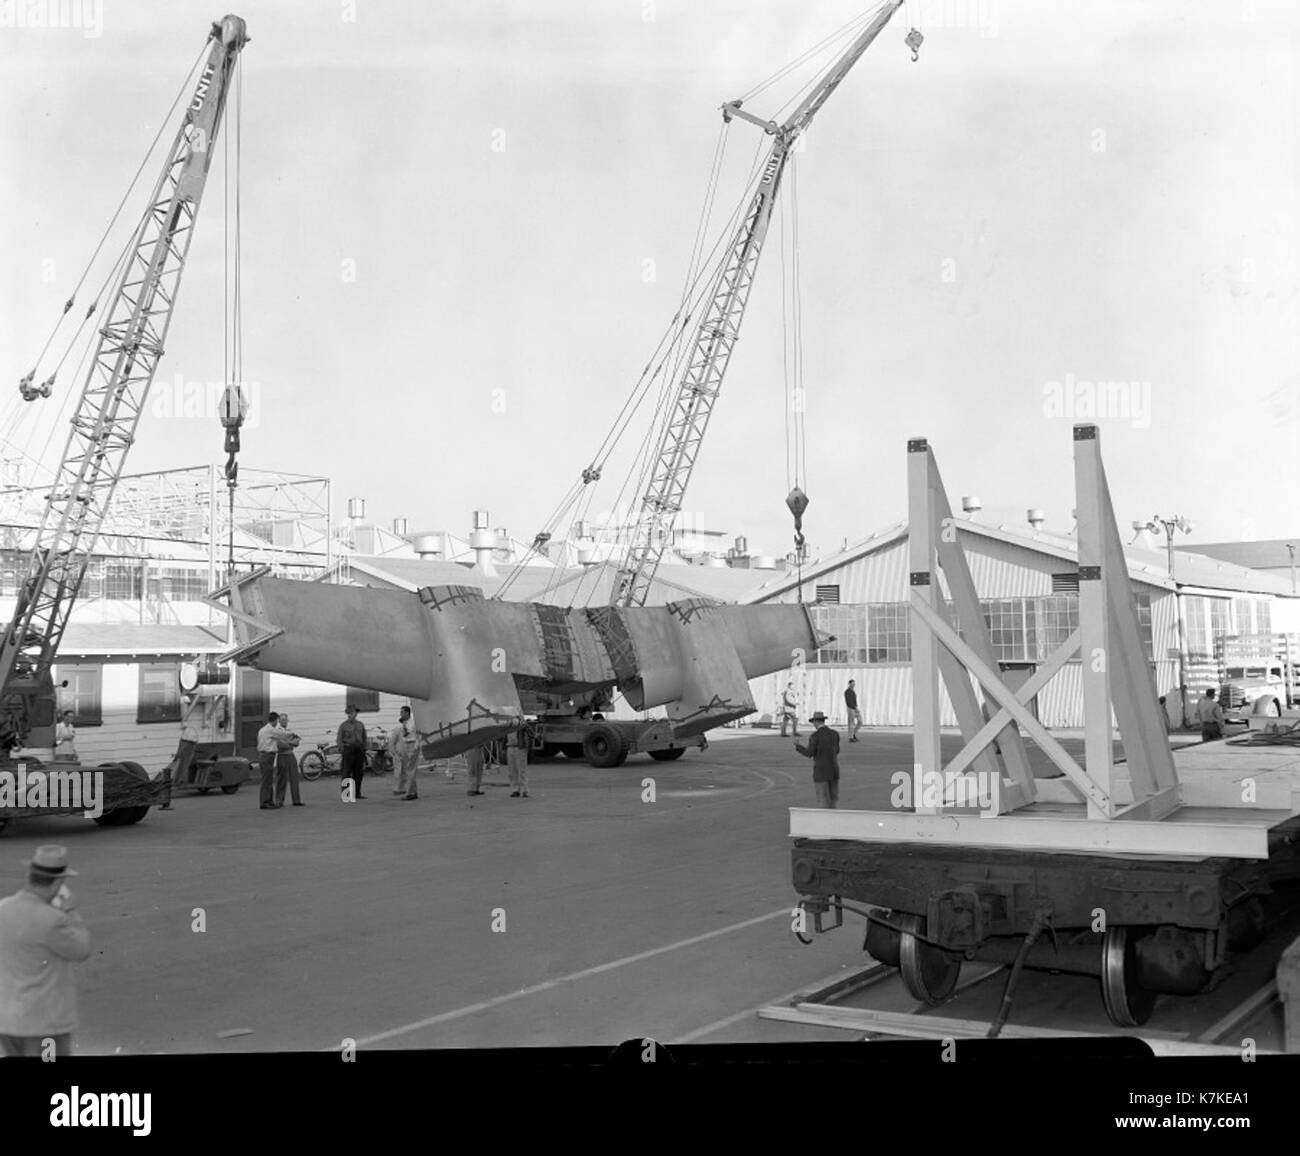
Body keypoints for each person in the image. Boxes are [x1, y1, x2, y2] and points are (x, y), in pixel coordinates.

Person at [0, 845, 92, 1057]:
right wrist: (71, 909)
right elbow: (82, 949)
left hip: (8, 1021)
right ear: (58, 883)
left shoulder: (3, 908)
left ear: (29, 876)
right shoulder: (53, 919)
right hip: (43, 1024)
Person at [795, 710, 841, 809]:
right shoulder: (835, 734)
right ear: (823, 721)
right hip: (834, 770)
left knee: (823, 799)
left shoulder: (815, 736)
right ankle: (834, 821)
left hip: (821, 771)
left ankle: (825, 822)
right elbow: (837, 750)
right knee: (834, 799)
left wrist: (798, 746)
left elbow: (809, 753)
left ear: (815, 722)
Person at [337, 704, 369, 799]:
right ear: (348, 714)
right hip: (348, 749)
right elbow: (339, 738)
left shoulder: (360, 724)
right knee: (346, 772)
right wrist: (342, 749)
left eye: (354, 713)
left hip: (359, 749)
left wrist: (364, 748)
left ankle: (357, 793)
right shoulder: (343, 725)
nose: (352, 714)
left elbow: (364, 737)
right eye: (350, 713)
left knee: (358, 773)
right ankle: (346, 794)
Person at [390, 705, 420, 800]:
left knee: (410, 769)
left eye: (402, 712)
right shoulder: (403, 724)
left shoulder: (414, 723)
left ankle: (411, 792)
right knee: (408, 769)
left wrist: (416, 745)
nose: (400, 714)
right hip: (405, 746)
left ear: (407, 713)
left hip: (412, 745)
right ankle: (412, 791)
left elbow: (418, 735)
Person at [274, 714, 304, 806]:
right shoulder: (277, 731)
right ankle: (279, 800)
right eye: (282, 720)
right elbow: (280, 744)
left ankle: (296, 800)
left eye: (286, 720)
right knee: (281, 779)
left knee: (294, 778)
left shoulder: (290, 731)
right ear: (279, 721)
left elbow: (297, 742)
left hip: (291, 756)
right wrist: (290, 743)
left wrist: (288, 742)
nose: (284, 722)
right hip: (282, 756)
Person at [256, 712, 283, 809]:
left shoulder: (262, 730)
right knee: (266, 780)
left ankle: (269, 801)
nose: (278, 722)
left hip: (263, 755)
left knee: (268, 778)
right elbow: (282, 735)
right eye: (277, 720)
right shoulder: (271, 730)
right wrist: (292, 735)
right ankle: (265, 802)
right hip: (268, 756)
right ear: (275, 720)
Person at [507, 721, 530, 799]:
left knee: (522, 770)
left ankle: (525, 790)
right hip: (510, 746)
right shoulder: (507, 724)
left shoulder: (521, 723)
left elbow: (530, 731)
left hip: (519, 747)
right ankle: (515, 790)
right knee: (512, 770)